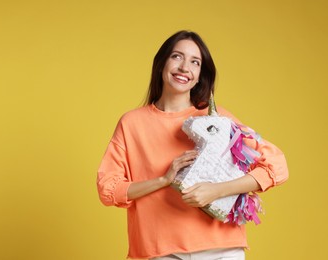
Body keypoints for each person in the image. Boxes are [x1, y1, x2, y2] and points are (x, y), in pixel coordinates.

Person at [97, 30, 288, 260]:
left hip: (222, 251)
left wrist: (215, 190)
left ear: (199, 75)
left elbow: (276, 165)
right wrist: (163, 180)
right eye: (177, 56)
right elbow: (109, 189)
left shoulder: (216, 121)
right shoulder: (132, 123)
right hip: (161, 252)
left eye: (195, 62)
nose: (185, 67)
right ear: (161, 64)